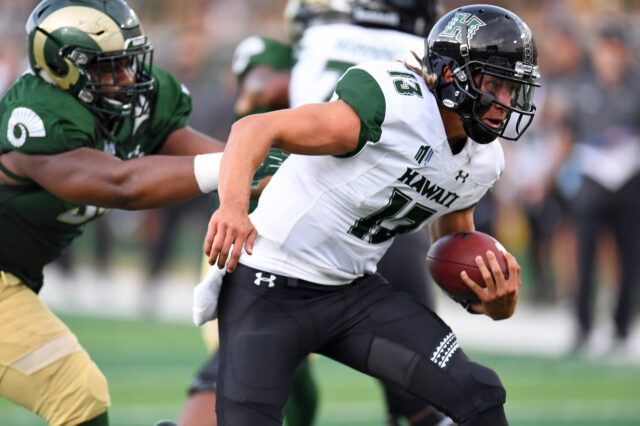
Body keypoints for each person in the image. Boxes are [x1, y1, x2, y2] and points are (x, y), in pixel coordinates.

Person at [199, 4, 539, 425]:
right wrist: (232, 209)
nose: (505, 103)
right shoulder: (392, 104)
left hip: (352, 294)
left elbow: (454, 244)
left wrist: (488, 297)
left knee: (478, 392)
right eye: (495, 85)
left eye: (514, 88)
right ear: (453, 75)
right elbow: (252, 129)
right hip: (268, 286)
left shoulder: (484, 160)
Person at [0, 1, 235, 425]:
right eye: (110, 66)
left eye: (129, 60)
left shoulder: (138, 102)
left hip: (12, 278)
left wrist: (262, 164)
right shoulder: (37, 114)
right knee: (74, 391)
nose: (129, 77)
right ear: (64, 68)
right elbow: (121, 186)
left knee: (80, 396)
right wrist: (235, 168)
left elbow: (192, 147)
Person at [180, 36, 319, 426]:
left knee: (273, 369)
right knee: (246, 363)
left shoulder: (305, 128)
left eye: (260, 75)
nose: (251, 86)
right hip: (239, 264)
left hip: (292, 272)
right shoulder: (249, 131)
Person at [564, 23, 640, 355]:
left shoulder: (635, 88)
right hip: (591, 185)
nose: (609, 57)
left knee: (630, 259)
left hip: (629, 186)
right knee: (584, 256)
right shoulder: (582, 87)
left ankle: (622, 327)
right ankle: (582, 326)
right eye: (604, 49)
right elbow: (569, 135)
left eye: (614, 50)